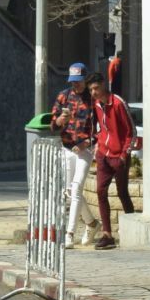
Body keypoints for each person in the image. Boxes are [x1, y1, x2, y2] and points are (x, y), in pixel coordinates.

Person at [51, 61, 97, 249]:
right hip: (67, 148)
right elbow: (52, 125)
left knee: (76, 189)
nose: (75, 85)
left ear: (85, 80)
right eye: (73, 81)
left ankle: (69, 233)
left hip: (84, 151)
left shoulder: (93, 99)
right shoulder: (63, 96)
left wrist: (88, 142)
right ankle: (92, 224)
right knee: (70, 192)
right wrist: (60, 120)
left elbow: (100, 128)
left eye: (78, 81)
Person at [88, 72, 136, 249]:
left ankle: (132, 226)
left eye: (96, 88)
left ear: (103, 85)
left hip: (119, 156)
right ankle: (107, 234)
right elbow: (100, 127)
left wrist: (124, 154)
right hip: (103, 154)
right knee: (101, 191)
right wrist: (98, 143)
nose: (93, 92)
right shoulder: (97, 104)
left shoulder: (118, 103)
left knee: (122, 192)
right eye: (91, 89)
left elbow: (131, 132)